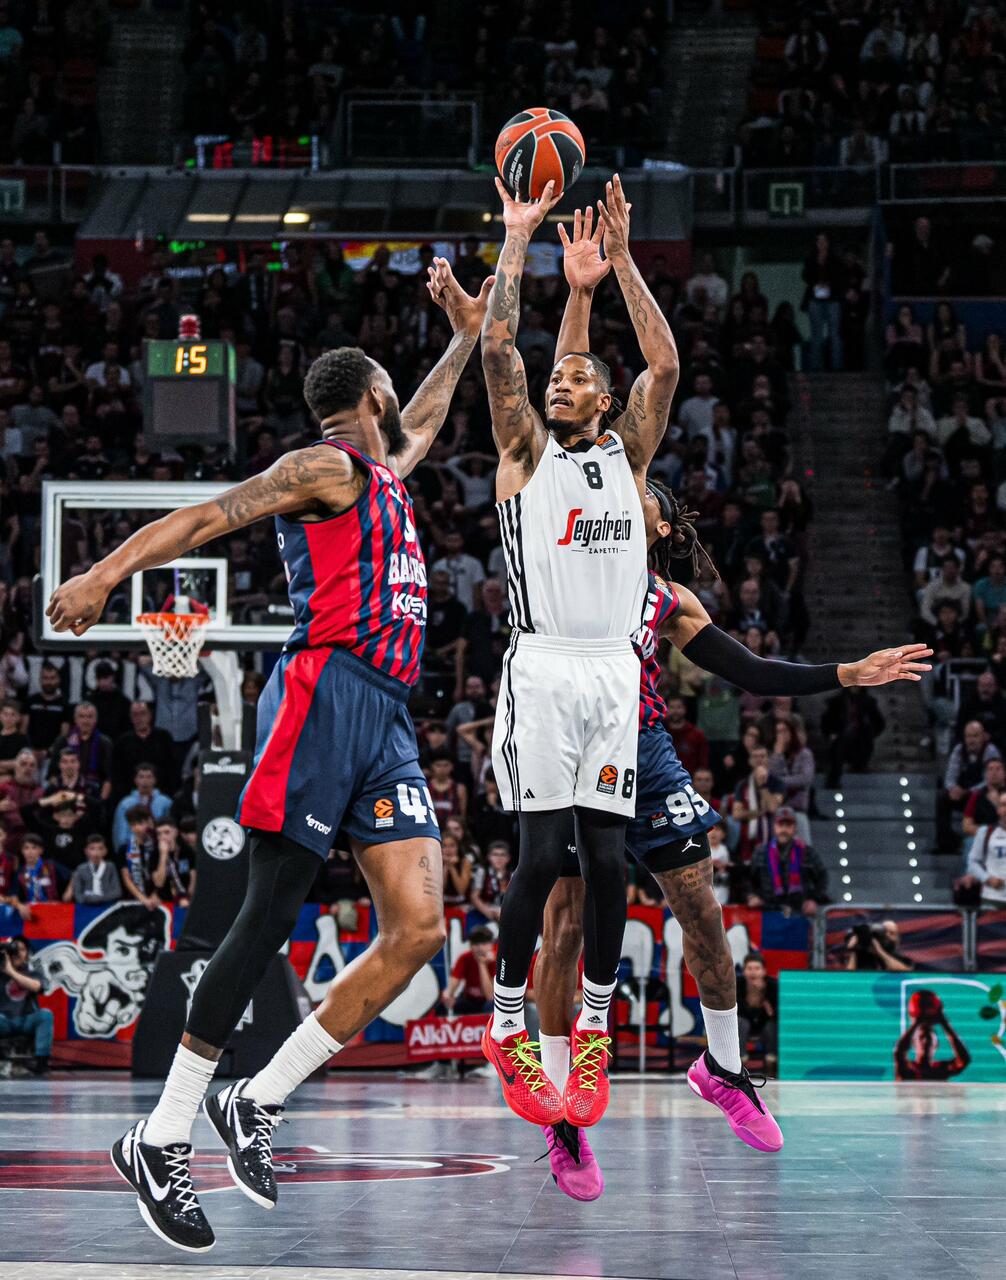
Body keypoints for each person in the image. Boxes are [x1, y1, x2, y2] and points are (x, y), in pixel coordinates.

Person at [46, 259, 494, 1251]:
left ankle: (258, 1096)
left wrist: (466, 327)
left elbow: (421, 417)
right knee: (264, 912)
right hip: (324, 691)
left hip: (383, 711)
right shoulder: (324, 467)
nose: (403, 405)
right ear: (365, 394)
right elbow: (211, 515)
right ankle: (161, 1133)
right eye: (392, 386)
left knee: (418, 925)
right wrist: (103, 571)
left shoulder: (381, 466)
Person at [530, 468, 930, 1196]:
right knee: (562, 928)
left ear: (655, 528)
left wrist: (848, 672)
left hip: (644, 752)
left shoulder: (666, 599)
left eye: (635, 503)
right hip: (567, 747)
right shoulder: (563, 568)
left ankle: (722, 1067)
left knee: (705, 917)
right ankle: (563, 1115)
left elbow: (753, 672)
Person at [478, 178, 678, 1130]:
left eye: (576, 378)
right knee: (542, 854)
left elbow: (665, 367)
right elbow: (499, 348)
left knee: (608, 865)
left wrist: (619, 268)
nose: (560, 382)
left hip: (612, 672)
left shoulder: (628, 455)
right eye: (558, 375)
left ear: (603, 399)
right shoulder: (524, 449)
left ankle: (593, 1031)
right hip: (544, 666)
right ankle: (509, 1020)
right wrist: (518, 240)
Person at [747, 807, 827, 914]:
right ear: (774, 827)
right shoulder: (760, 852)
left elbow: (822, 877)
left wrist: (813, 899)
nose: (784, 830)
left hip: (799, 912)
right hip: (768, 912)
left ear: (795, 828)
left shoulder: (807, 852)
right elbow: (749, 879)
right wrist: (752, 896)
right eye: (780, 825)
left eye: (788, 825)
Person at [0, 935, 53, 1074]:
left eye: (22, 950)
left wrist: (10, 972)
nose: (17, 953)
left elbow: (37, 987)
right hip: (4, 1020)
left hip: (26, 1018)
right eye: (14, 949)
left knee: (45, 1015)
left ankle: (41, 1063)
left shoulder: (33, 973)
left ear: (27, 955)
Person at [894, 990, 970, 1081]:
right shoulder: (908, 1070)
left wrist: (945, 1023)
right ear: (913, 1045)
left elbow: (964, 1060)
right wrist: (916, 1023)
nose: (926, 1041)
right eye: (921, 1037)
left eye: (929, 1038)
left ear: (936, 1045)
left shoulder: (940, 1070)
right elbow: (898, 1053)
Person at [964, 791, 1006, 907]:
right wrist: (987, 878)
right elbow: (972, 862)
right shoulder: (985, 832)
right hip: (992, 897)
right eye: (1003, 805)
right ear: (998, 810)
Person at [736, 953, 778, 1069]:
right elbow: (736, 1012)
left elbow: (778, 1015)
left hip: (765, 1023)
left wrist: (768, 1007)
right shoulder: (737, 985)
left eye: (757, 969)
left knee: (771, 1025)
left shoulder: (773, 986)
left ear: (764, 971)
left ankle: (772, 1059)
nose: (753, 972)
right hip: (745, 1023)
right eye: (749, 969)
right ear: (744, 971)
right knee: (740, 1022)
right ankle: (740, 1058)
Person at [441, 925, 495, 1014]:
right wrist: (448, 995)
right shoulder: (465, 958)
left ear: (491, 945)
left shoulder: (496, 961)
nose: (480, 948)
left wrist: (482, 964)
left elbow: (490, 996)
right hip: (470, 1001)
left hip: (487, 1002)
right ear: (470, 945)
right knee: (445, 1006)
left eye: (484, 943)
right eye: (476, 944)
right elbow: (454, 982)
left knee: (490, 1005)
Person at [64, 833, 121, 905]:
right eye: (92, 848)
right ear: (86, 851)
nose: (96, 852)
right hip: (86, 906)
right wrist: (87, 899)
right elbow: (77, 893)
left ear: (105, 851)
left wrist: (101, 898)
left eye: (100, 848)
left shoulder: (110, 867)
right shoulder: (81, 869)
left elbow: (117, 891)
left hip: (107, 906)